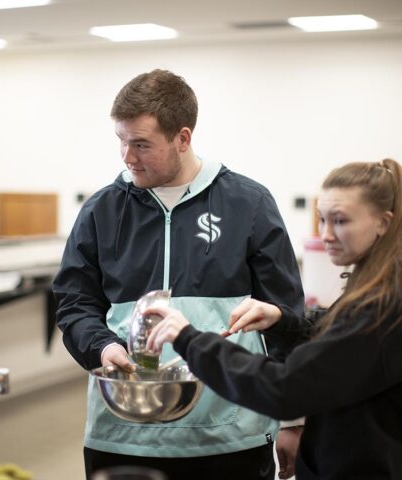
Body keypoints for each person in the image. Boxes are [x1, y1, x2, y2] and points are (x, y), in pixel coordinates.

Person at [53, 69, 307, 480]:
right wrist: (101, 347)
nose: (127, 156)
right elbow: (74, 303)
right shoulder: (101, 211)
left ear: (182, 138)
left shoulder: (250, 203)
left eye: (141, 144)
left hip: (230, 433)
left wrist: (292, 417)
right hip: (122, 433)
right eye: (121, 140)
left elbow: (284, 315)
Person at [146, 158, 402, 479]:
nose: (326, 235)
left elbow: (286, 388)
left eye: (340, 221)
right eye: (321, 220)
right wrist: (281, 319)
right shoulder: (372, 284)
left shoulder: (383, 305)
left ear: (383, 222)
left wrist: (189, 339)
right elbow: (336, 341)